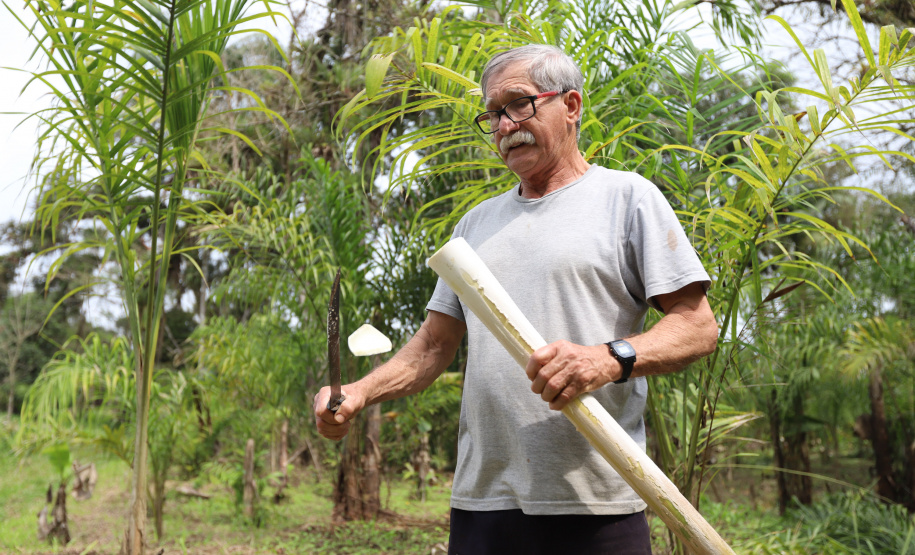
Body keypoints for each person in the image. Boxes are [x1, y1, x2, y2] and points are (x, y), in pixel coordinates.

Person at [314, 44, 719, 555]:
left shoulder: (627, 199)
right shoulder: (475, 226)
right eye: (493, 114)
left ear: (570, 105)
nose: (505, 126)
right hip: (484, 502)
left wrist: (605, 359)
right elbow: (435, 344)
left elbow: (698, 327)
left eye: (519, 104)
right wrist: (360, 392)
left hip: (596, 503)